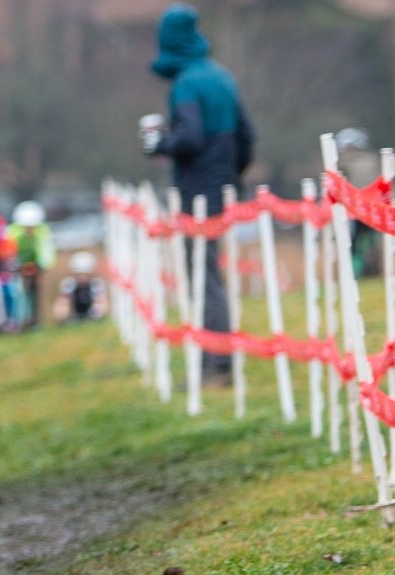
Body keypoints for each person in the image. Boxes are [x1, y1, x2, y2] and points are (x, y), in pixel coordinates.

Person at [142, 2, 254, 383]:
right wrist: (231, 177)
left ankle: (217, 363)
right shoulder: (223, 78)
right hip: (221, 188)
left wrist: (161, 144)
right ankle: (218, 359)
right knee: (212, 273)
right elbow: (247, 137)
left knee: (202, 276)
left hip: (197, 194)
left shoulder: (186, 84)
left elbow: (189, 138)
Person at [336, 127, 380, 278]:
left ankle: (355, 272)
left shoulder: (342, 165)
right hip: (374, 209)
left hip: (353, 212)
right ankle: (374, 267)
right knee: (372, 242)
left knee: (352, 244)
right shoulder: (373, 161)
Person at [5, 200, 54, 330]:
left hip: (35, 265)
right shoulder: (12, 231)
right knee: (17, 292)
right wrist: (13, 265)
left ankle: (35, 320)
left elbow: (46, 250)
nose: (29, 229)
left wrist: (43, 265)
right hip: (17, 266)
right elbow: (8, 250)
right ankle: (17, 320)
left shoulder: (42, 231)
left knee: (35, 291)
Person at [52, 250, 108, 323]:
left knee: (99, 302)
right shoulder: (69, 284)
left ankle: (95, 320)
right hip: (75, 316)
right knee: (63, 303)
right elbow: (62, 303)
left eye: (85, 274)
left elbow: (102, 303)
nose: (82, 277)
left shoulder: (96, 284)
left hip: (92, 315)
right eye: (79, 274)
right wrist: (62, 317)